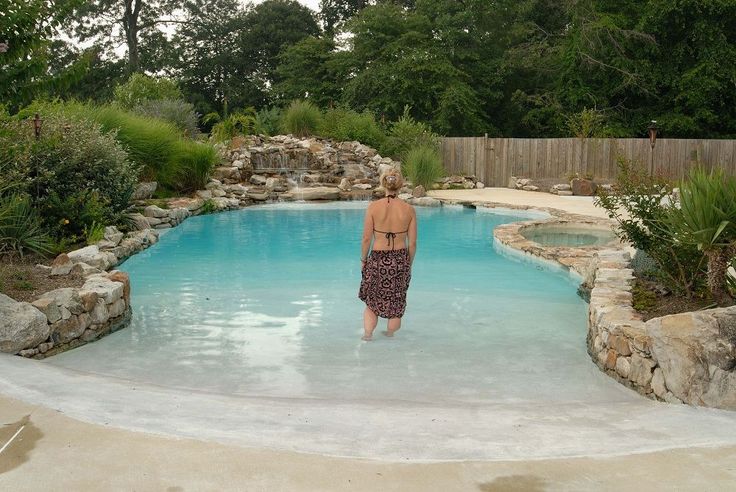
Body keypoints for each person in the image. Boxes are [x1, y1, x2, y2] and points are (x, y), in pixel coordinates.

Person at [358, 168, 417, 341]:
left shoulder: (373, 208)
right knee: (396, 302)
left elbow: (366, 239)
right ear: (400, 185)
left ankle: (368, 335)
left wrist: (363, 260)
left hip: (377, 259)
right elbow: (412, 243)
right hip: (400, 260)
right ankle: (390, 335)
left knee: (372, 301)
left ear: (383, 183)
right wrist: (408, 264)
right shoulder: (409, 210)